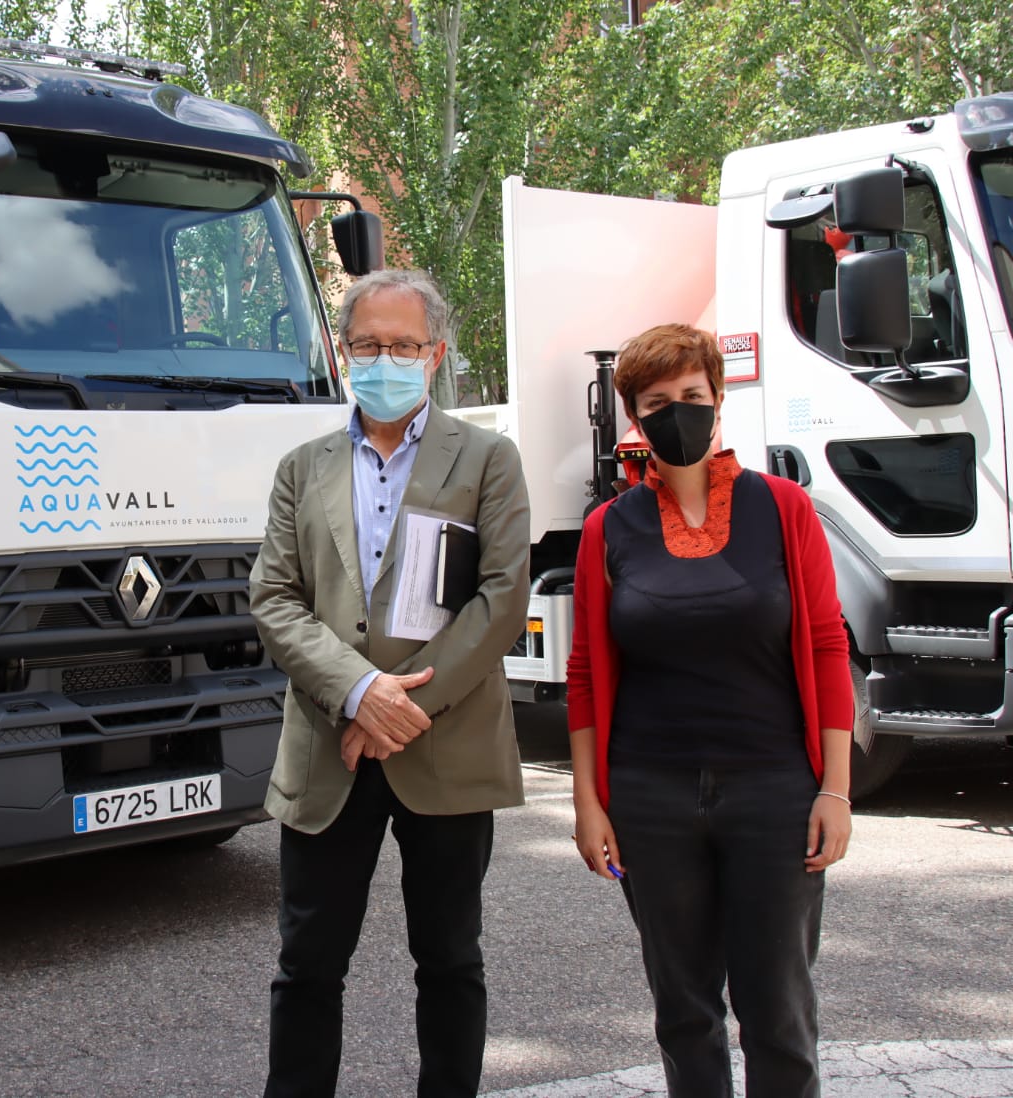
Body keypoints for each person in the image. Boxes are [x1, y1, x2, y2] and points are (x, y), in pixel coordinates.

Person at [249, 268, 531, 1098]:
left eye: (404, 346)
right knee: (307, 964)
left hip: (445, 746)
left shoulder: (487, 458)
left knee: (450, 959)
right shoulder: (301, 468)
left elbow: (502, 598)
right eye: (368, 344)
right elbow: (274, 598)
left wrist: (399, 707)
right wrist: (359, 692)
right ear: (343, 352)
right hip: (328, 746)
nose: (385, 360)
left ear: (435, 354)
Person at [566, 322, 854, 1098]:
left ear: (719, 398)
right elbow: (586, 672)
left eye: (691, 395)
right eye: (657, 402)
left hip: (774, 792)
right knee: (685, 1014)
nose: (678, 413)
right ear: (635, 418)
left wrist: (835, 789)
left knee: (779, 1013)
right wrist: (589, 803)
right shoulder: (607, 529)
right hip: (651, 798)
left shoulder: (783, 508)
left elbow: (827, 644)